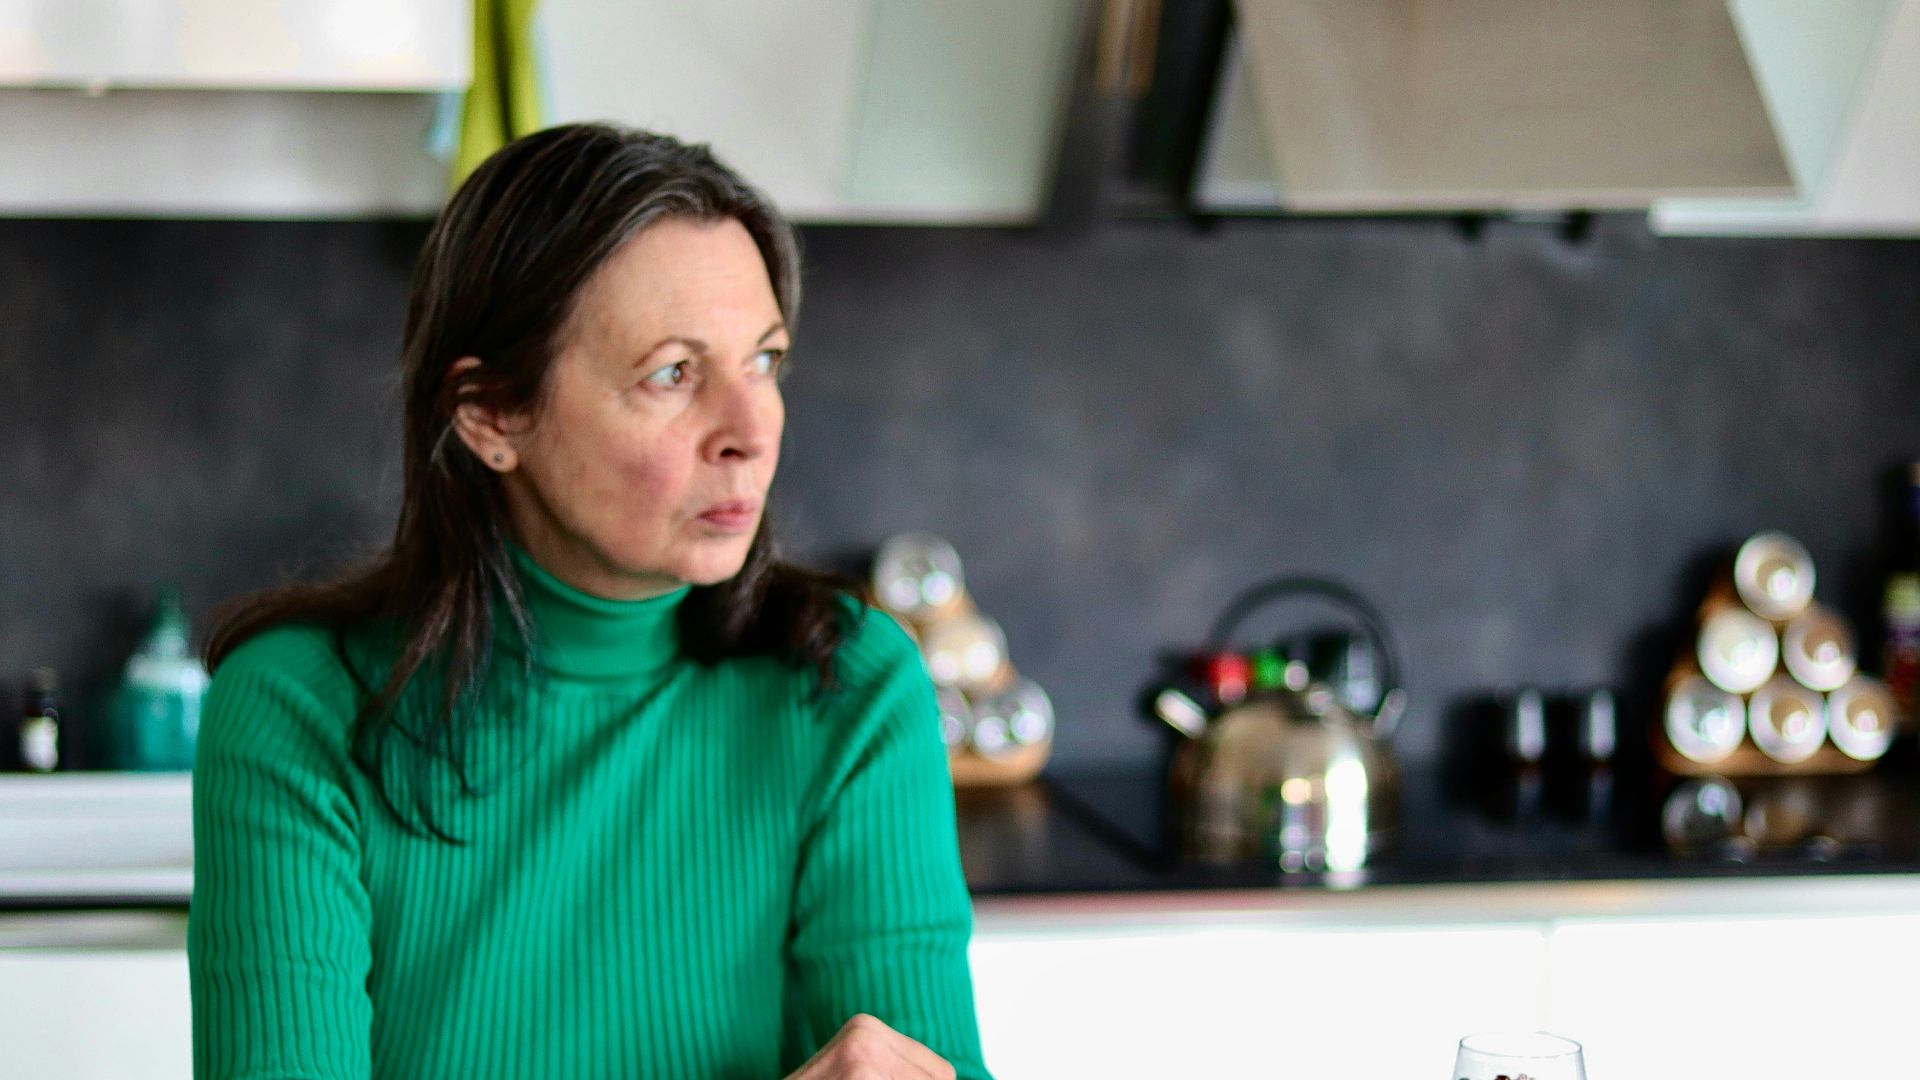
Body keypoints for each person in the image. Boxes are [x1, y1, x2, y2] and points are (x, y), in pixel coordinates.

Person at [187, 122, 991, 1080]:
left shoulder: (848, 686)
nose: (748, 429)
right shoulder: (298, 707)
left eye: (764, 361)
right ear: (491, 413)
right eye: (673, 374)